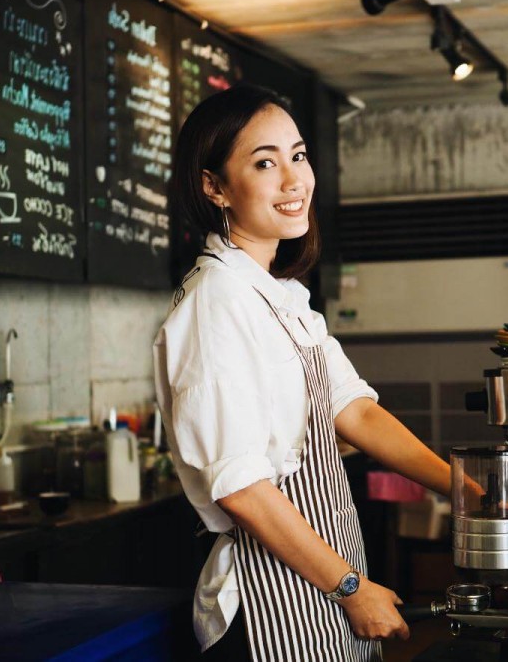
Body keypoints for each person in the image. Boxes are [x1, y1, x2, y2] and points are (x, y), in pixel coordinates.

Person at [153, 84, 452, 661]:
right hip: (270, 603)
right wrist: (349, 586)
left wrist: (467, 492)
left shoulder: (281, 295)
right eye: (265, 163)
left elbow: (354, 410)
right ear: (213, 186)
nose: (294, 180)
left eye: (298, 155)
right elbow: (241, 489)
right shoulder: (215, 303)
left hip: (322, 580)